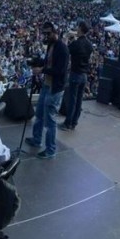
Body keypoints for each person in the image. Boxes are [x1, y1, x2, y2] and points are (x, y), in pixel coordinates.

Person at [26, 22, 69, 159]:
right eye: (44, 33)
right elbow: (48, 62)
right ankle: (36, 139)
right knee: (39, 114)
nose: (46, 36)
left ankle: (50, 150)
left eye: (48, 33)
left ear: (56, 32)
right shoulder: (51, 45)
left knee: (50, 120)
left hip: (55, 88)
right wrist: (37, 62)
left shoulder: (62, 48)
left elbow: (60, 71)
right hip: (46, 85)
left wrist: (42, 70)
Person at [60, 20, 93, 131]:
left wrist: (66, 37)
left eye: (78, 27)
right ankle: (74, 123)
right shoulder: (89, 44)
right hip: (84, 76)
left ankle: (67, 123)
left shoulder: (76, 43)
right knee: (79, 101)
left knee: (72, 101)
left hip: (75, 74)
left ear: (80, 28)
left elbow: (64, 51)